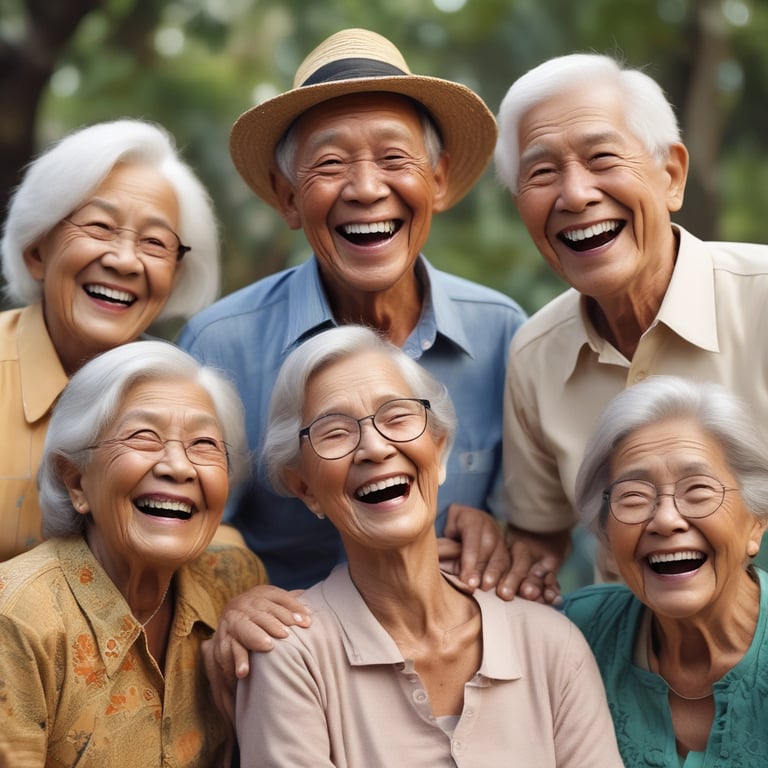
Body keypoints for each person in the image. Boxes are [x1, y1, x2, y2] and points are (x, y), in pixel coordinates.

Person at [179, 28, 527, 597]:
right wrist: (239, 595)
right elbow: (188, 524)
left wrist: (500, 534)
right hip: (289, 657)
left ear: (436, 180)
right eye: (331, 164)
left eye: (394, 158)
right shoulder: (220, 347)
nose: (366, 189)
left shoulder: (503, 332)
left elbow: (543, 522)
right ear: (289, 197)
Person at [229, 324, 623, 767]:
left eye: (397, 417)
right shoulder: (291, 657)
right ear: (305, 489)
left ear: (438, 452)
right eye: (335, 432)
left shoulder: (551, 644)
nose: (375, 448)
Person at [493, 52, 768, 600]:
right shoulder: (535, 355)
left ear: (672, 175)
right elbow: (538, 540)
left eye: (602, 158)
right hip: (632, 665)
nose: (575, 195)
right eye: (542, 172)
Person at [0, 340, 267, 766]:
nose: (178, 467)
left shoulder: (235, 582)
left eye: (203, 443)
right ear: (76, 482)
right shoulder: (16, 619)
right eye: (144, 437)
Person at [0, 118, 219, 562]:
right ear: (37, 250)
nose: (124, 261)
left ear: (174, 276)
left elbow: (207, 524)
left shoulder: (185, 396)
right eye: (100, 227)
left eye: (155, 243)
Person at [562, 375, 768, 764]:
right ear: (606, 534)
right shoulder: (570, 636)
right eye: (634, 496)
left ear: (756, 520)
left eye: (698, 491)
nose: (666, 520)